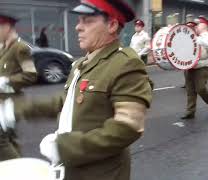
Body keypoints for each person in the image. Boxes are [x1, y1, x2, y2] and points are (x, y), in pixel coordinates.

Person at [0, 1, 152, 180]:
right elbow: (65, 103)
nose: (78, 27)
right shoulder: (81, 64)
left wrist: (64, 147)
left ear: (111, 25)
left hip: (100, 173)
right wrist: (15, 109)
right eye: (79, 21)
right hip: (73, 168)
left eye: (87, 21)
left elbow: (128, 127)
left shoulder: (126, 64)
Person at [0, 13, 37, 161]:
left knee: (4, 141)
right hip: (2, 101)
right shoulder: (3, 48)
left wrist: (5, 81)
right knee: (9, 140)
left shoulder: (20, 48)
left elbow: (30, 75)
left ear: (8, 27)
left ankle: (18, 170)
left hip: (11, 102)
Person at [181, 16, 208, 119]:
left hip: (202, 66)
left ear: (204, 25)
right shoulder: (191, 36)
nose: (197, 26)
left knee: (200, 88)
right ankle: (190, 111)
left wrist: (202, 42)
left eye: (199, 24)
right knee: (190, 90)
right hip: (189, 66)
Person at [181, 21, 198, 89]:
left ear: (193, 27)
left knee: (194, 71)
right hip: (186, 55)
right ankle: (187, 83)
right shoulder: (185, 35)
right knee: (186, 71)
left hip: (194, 56)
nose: (188, 28)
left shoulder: (197, 36)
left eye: (190, 27)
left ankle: (194, 83)